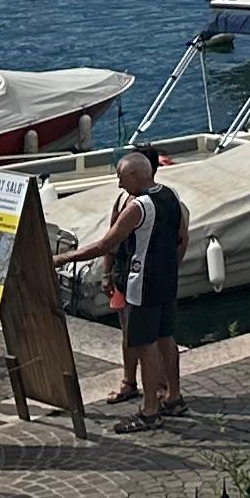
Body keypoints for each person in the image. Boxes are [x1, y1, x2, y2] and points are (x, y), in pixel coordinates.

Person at [63, 146, 189, 428]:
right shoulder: (171, 196)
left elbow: (107, 243)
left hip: (141, 284)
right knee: (166, 338)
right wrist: (172, 268)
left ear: (134, 175)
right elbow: (182, 237)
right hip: (166, 281)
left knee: (144, 345)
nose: (119, 184)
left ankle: (149, 410)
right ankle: (174, 397)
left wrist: (62, 258)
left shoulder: (138, 206)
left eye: (121, 178)